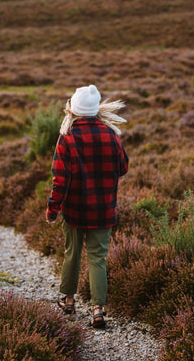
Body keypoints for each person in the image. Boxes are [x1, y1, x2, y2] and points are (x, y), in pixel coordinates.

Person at [46, 84, 129, 328]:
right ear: (96, 109)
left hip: (74, 210)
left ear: (73, 108)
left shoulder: (67, 137)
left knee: (72, 253)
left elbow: (60, 179)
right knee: (98, 258)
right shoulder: (111, 135)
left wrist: (52, 208)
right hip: (104, 210)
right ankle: (98, 310)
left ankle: (68, 301)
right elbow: (123, 167)